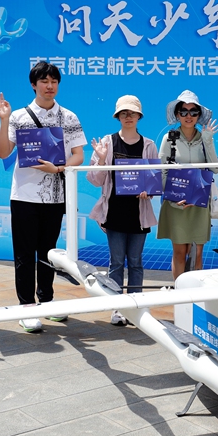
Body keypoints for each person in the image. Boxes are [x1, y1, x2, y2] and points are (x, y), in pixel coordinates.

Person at [0, 61, 86, 332]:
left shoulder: (68, 117)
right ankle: (27, 307)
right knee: (24, 253)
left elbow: (79, 155)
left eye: (54, 81)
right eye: (44, 81)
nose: (49, 86)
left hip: (55, 198)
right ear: (33, 85)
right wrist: (3, 120)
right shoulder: (19, 116)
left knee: (48, 252)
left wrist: (57, 168)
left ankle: (47, 301)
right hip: (23, 196)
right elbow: (2, 152)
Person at [87, 95, 158, 325]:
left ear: (139, 117)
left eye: (133, 113)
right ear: (118, 117)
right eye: (124, 113)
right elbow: (95, 180)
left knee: (136, 262)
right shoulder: (107, 143)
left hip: (138, 214)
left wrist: (149, 189)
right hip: (115, 213)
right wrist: (99, 160)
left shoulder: (148, 145)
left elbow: (156, 179)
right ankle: (117, 308)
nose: (129, 117)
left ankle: (136, 307)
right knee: (116, 262)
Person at [158, 90, 218, 279]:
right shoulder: (169, 137)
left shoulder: (205, 137)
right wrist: (172, 199)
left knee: (197, 253)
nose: (188, 116)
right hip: (176, 204)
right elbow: (162, 171)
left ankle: (194, 298)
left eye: (193, 112)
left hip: (199, 204)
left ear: (199, 115)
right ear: (177, 115)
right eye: (183, 111)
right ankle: (179, 295)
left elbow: (215, 168)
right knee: (179, 252)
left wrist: (208, 141)